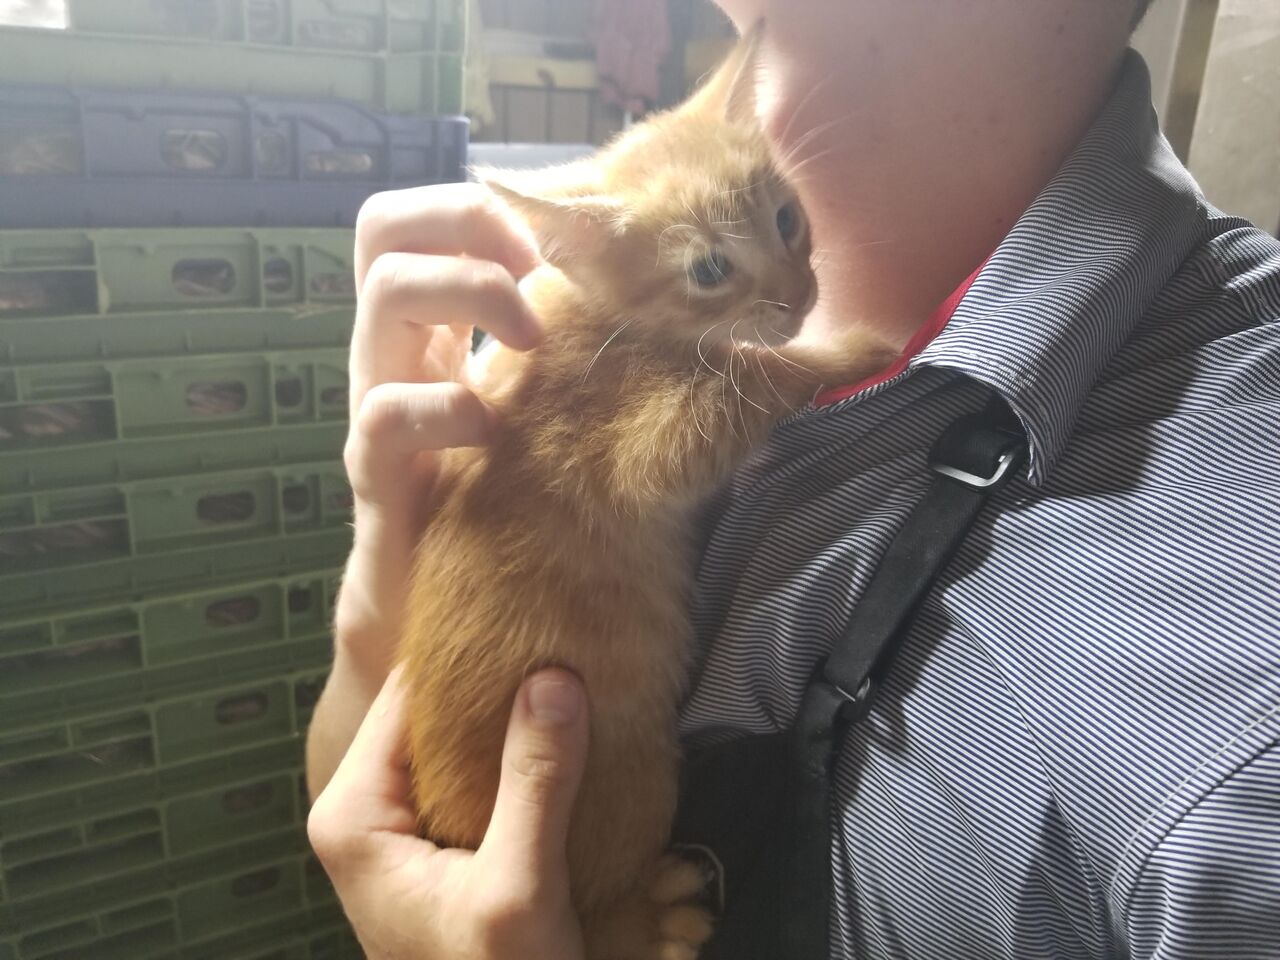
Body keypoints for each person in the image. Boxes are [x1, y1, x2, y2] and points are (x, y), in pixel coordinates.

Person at [304, 0, 1280, 956]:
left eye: (785, 227)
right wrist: (380, 589)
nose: (788, 282)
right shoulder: (571, 302)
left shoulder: (1230, 739)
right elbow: (366, 820)